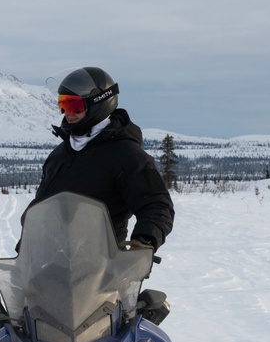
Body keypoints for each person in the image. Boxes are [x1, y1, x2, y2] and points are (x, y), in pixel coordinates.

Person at [24, 67, 174, 251]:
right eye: (62, 104)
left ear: (98, 103)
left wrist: (144, 241)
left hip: (105, 268)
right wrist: (25, 249)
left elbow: (157, 205)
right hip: (54, 264)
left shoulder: (126, 155)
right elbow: (41, 207)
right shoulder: (59, 155)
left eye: (74, 105)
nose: (67, 113)